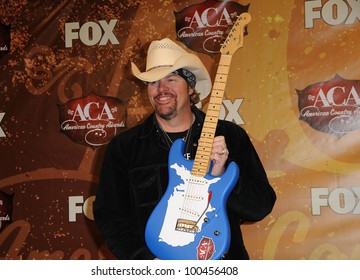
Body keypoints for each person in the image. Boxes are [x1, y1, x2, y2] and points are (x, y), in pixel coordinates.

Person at [93, 38, 276, 260]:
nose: (162, 89)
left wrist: (222, 174)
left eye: (171, 79)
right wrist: (146, 263)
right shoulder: (124, 147)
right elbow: (111, 216)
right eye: (153, 82)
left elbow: (261, 206)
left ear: (190, 87)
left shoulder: (230, 136)